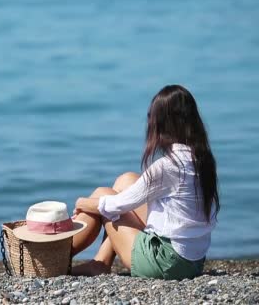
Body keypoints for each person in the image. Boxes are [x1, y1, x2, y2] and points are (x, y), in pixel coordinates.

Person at [70, 85, 220, 280]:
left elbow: (115, 204)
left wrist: (81, 203)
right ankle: (100, 263)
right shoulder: (202, 159)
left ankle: (54, 257)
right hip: (193, 262)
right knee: (127, 180)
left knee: (103, 195)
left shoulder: (169, 166)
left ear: (162, 123)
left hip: (166, 263)